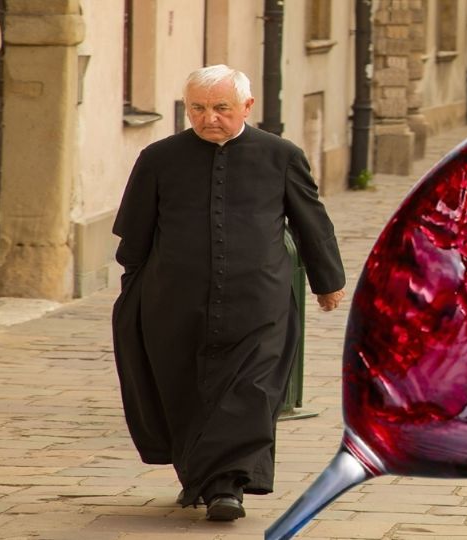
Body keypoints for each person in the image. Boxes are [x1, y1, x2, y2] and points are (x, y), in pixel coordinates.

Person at [111, 65, 346, 522]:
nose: (208, 118)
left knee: (251, 391)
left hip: (260, 299)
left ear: (247, 107)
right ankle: (200, 478)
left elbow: (310, 221)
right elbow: (135, 237)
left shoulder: (281, 156)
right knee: (184, 390)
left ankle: (228, 486)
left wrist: (328, 280)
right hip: (174, 300)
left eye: (221, 108)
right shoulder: (159, 158)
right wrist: (134, 293)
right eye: (197, 108)